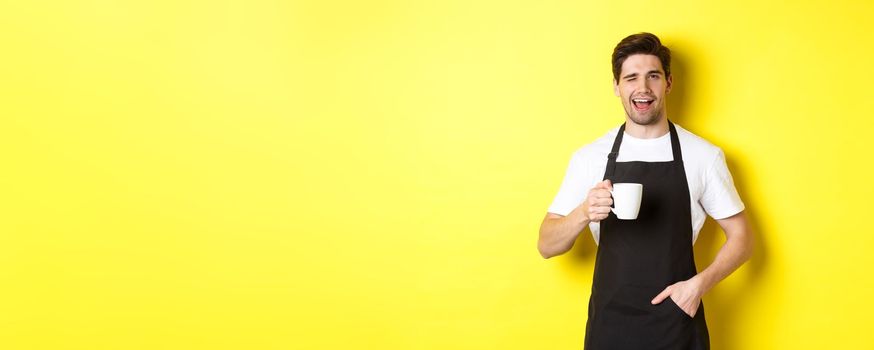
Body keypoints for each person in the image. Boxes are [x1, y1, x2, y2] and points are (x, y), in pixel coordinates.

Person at [537, 33, 754, 350]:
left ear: (668, 82)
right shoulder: (590, 157)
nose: (643, 88)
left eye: (653, 76)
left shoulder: (703, 156)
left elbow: (743, 238)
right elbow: (546, 245)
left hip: (677, 324)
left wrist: (698, 286)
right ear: (616, 87)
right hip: (609, 327)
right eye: (631, 78)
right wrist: (584, 212)